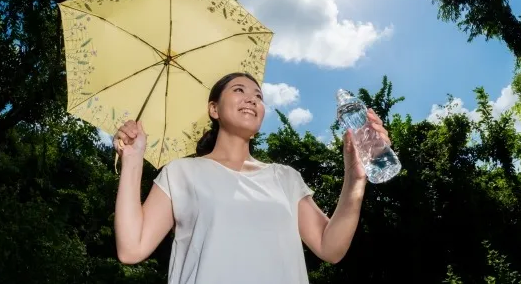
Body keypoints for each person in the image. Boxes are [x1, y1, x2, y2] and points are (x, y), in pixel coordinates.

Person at [113, 72, 391, 284]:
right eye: (239, 90)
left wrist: (355, 179)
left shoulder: (285, 178)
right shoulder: (181, 173)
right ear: (214, 109)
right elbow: (131, 248)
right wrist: (133, 159)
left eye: (258, 96)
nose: (252, 99)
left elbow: (330, 248)